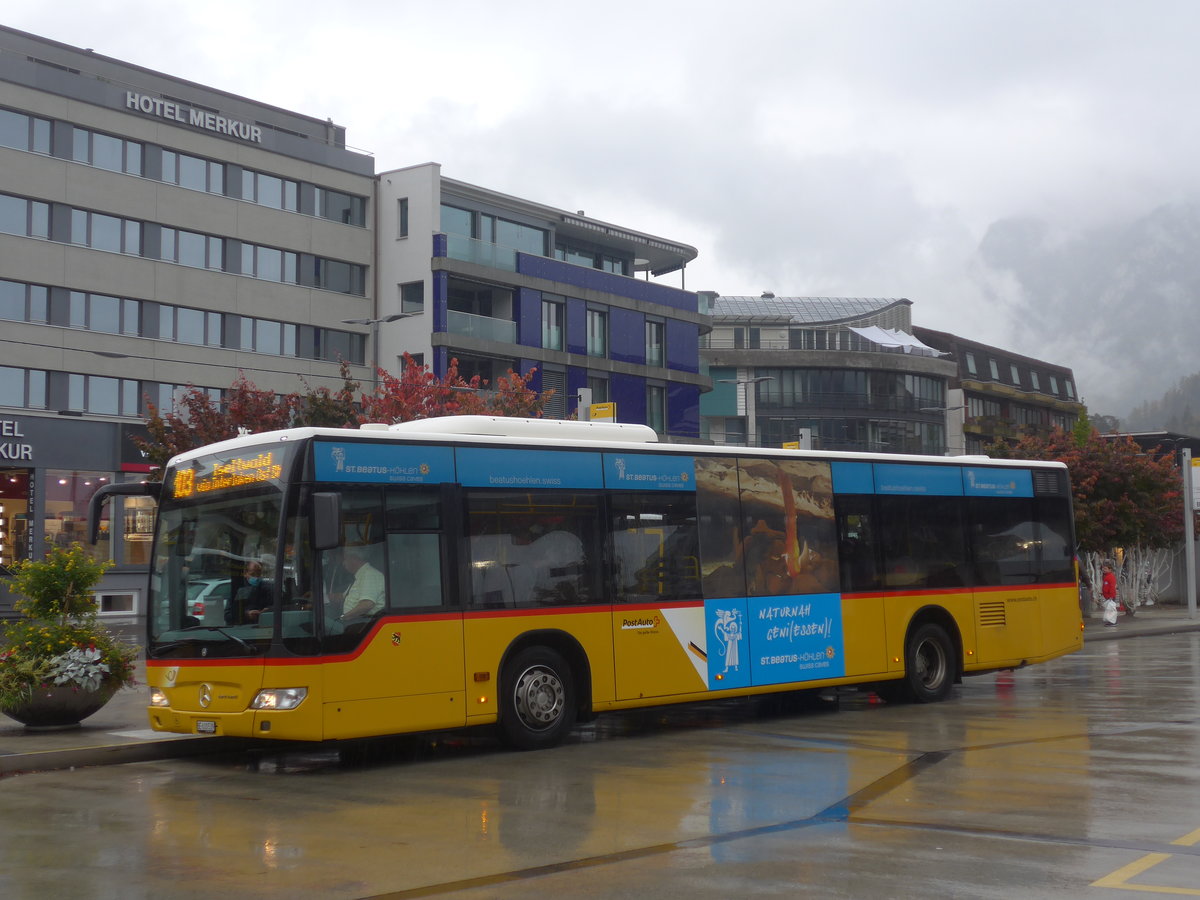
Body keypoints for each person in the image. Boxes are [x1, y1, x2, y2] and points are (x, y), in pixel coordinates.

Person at [333, 545, 385, 623]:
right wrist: (326, 598)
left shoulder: (369, 574)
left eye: (345, 559)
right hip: (355, 621)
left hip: (362, 623)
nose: (343, 563)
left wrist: (343, 617)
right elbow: (344, 597)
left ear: (354, 558)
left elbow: (367, 604)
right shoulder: (360, 575)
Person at [227, 560, 272, 624]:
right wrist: (246, 615)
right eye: (252, 574)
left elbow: (278, 606)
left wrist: (269, 610)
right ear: (245, 574)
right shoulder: (239, 590)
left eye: (258, 574)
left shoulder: (267, 588)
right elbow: (228, 615)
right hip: (244, 627)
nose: (256, 577)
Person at [1101, 561, 1119, 627]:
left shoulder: (1110, 577)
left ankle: (1113, 622)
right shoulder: (1106, 576)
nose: (1104, 570)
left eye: (1105, 568)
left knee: (1111, 609)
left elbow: (1112, 587)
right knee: (1109, 609)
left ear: (1110, 569)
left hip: (1110, 596)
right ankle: (1110, 621)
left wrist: (1111, 596)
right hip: (1107, 596)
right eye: (1103, 568)